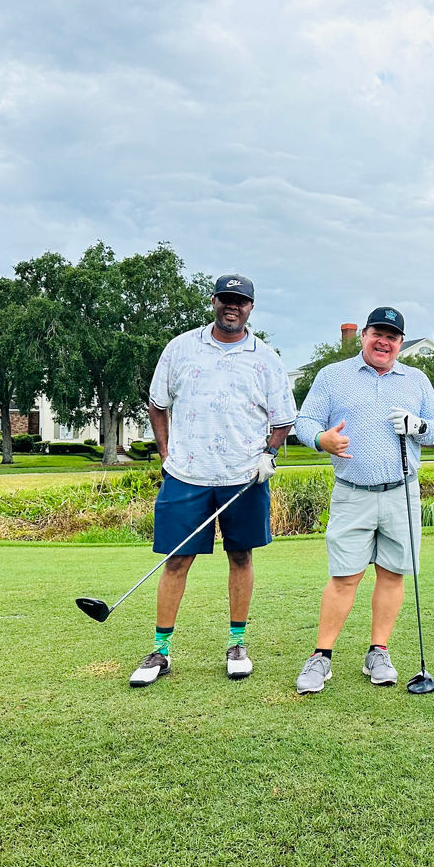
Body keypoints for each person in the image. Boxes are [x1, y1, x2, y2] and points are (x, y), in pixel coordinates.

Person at [129, 274, 297, 688]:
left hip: (244, 475)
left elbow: (284, 419)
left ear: (251, 308)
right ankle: (161, 651)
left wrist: (268, 455)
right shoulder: (181, 348)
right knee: (176, 559)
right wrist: (166, 454)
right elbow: (157, 404)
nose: (232, 307)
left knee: (241, 556)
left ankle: (237, 644)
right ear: (214, 301)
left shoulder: (267, 358)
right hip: (187, 473)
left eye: (240, 301)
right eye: (226, 299)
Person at [292, 307, 434, 694]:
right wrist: (321, 440)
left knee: (393, 573)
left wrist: (420, 426)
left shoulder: (416, 379)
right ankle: (321, 658)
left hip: (401, 491)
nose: (385, 341)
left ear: (400, 343)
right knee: (345, 576)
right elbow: (304, 422)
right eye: (378, 333)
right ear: (363, 335)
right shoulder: (332, 376)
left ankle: (378, 651)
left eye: (393, 336)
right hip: (352, 492)